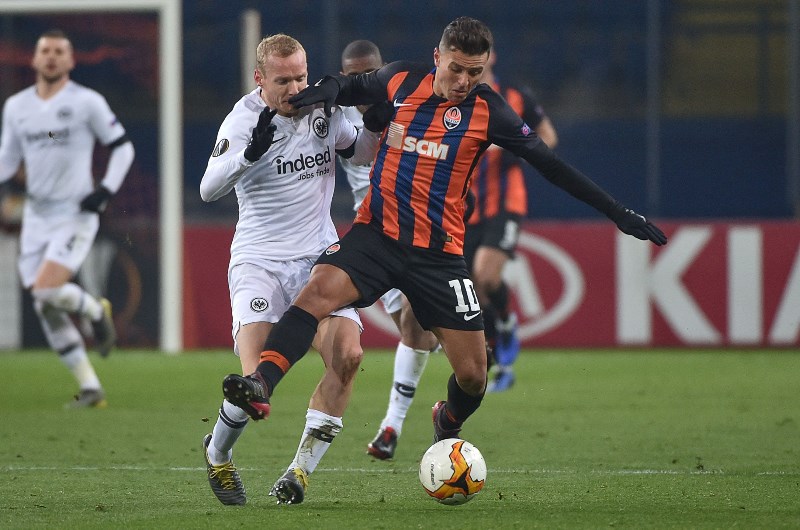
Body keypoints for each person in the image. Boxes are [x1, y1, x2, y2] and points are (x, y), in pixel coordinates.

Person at [222, 16, 667, 479]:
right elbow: (351, 84)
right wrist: (327, 90)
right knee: (315, 293)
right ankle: (260, 382)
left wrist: (617, 212)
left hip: (438, 255)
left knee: (474, 374)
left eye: (475, 72)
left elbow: (550, 165)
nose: (464, 82)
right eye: (456, 69)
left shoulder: (489, 110)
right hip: (378, 236)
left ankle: (445, 419)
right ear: (438, 57)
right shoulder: (401, 78)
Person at [199, 33, 381, 506]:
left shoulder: (323, 107)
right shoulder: (243, 120)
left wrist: (376, 122)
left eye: (300, 76)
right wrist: (249, 155)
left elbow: (360, 152)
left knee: (349, 356)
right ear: (260, 79)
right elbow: (207, 189)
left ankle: (299, 472)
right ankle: (217, 453)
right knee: (254, 390)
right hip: (259, 261)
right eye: (283, 80)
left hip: (318, 258)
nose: (295, 87)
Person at [0, 30, 134, 408]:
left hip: (75, 213)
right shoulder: (16, 107)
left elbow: (122, 148)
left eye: (60, 51)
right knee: (45, 303)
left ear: (71, 61)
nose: (52, 57)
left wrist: (105, 191)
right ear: (34, 59)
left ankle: (93, 309)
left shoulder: (86, 102)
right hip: (36, 217)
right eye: (46, 51)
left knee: (44, 290)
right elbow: (8, 163)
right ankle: (90, 386)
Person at [338, 39, 439, 461]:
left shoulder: (409, 104)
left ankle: (391, 427)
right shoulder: (334, 115)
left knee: (417, 329)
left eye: (370, 74)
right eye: (354, 76)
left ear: (382, 72)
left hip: (416, 225)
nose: (363, 83)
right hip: (371, 233)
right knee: (419, 333)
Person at [464, 49, 559, 393]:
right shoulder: (454, 99)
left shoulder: (516, 97)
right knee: (471, 289)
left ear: (491, 57)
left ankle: (506, 322)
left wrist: (514, 147)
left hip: (506, 202)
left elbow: (548, 136)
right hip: (464, 206)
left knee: (486, 276)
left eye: (479, 56)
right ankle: (498, 361)